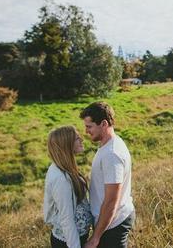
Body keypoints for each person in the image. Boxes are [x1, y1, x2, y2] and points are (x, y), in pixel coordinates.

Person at [80, 102, 135, 248]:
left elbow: (111, 200)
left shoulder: (112, 154)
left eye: (89, 126)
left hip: (113, 225)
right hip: (108, 223)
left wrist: (95, 238)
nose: (86, 131)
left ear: (103, 124)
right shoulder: (108, 145)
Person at [44, 126, 93, 248]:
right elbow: (66, 219)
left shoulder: (67, 167)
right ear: (67, 144)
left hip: (78, 237)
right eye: (77, 138)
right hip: (68, 242)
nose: (82, 139)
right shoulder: (60, 178)